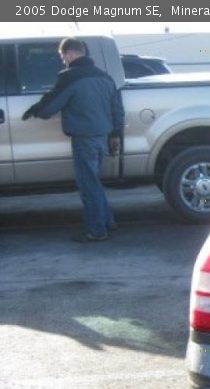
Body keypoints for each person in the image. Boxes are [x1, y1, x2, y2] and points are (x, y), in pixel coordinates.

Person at [23, 37, 125, 242]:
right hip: (102, 137)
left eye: (62, 56)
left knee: (88, 185)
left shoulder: (69, 77)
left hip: (84, 139)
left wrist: (35, 110)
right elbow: (117, 111)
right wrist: (115, 136)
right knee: (94, 183)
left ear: (70, 53)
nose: (63, 61)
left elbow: (49, 107)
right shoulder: (105, 77)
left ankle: (97, 231)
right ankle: (108, 223)